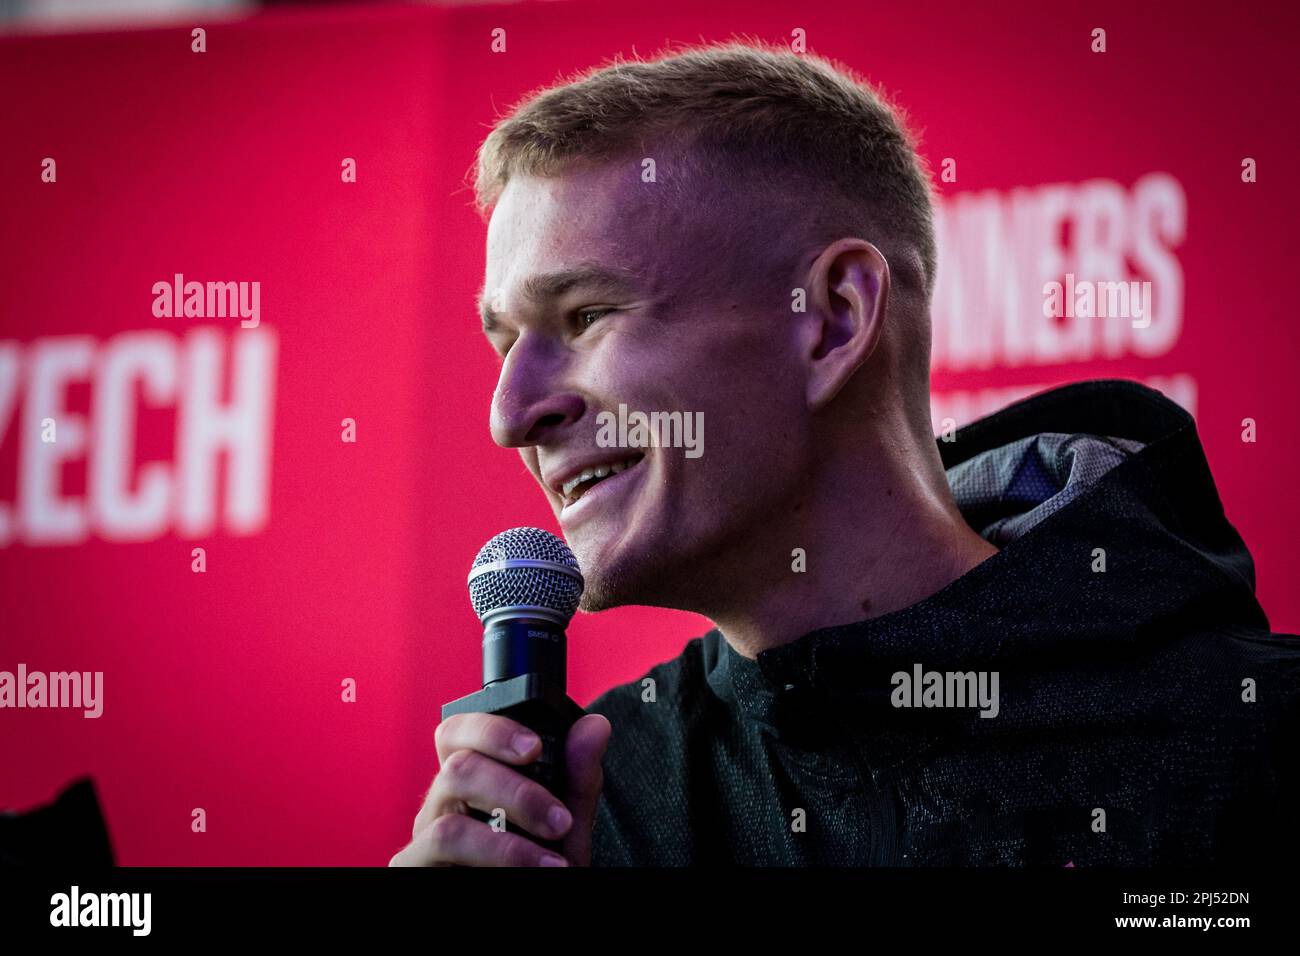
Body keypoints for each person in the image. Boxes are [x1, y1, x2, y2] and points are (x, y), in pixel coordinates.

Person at [390, 41, 1300, 867]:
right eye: (504, 340)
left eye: (585, 316)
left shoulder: (1258, 745)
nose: (509, 415)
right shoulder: (595, 806)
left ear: (832, 319)